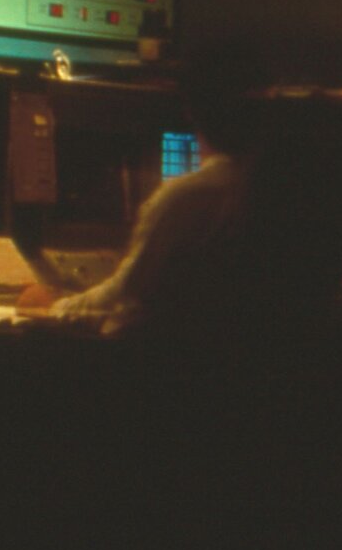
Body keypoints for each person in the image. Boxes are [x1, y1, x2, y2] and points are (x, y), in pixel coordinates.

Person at [26, 41, 271, 338]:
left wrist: (53, 308)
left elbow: (123, 298)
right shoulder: (273, 193)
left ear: (191, 110)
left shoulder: (188, 197)